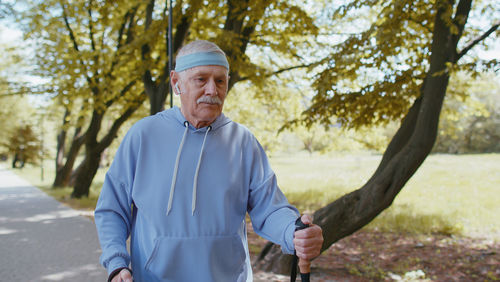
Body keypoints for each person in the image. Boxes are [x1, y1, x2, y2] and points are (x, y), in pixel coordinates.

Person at [95, 40, 323, 282]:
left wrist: (294, 232)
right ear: (176, 83)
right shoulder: (143, 135)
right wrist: (117, 264)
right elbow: (112, 209)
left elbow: (269, 208)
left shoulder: (242, 142)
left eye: (220, 81)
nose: (213, 90)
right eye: (201, 79)